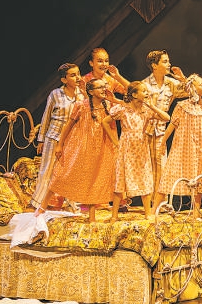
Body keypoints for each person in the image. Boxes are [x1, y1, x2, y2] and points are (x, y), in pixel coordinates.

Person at [154, 74, 202, 216]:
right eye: (200, 84)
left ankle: (195, 214)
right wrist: (163, 142)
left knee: (199, 178)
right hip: (184, 146)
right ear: (192, 88)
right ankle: (153, 211)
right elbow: (172, 124)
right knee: (169, 175)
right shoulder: (181, 106)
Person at [49, 77, 118, 223]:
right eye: (100, 87)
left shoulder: (108, 105)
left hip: (103, 148)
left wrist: (114, 100)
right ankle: (42, 207)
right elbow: (68, 125)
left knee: (95, 179)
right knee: (62, 174)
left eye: (104, 86)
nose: (104, 89)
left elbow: (127, 108)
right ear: (91, 92)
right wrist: (60, 144)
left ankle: (92, 217)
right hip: (83, 147)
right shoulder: (81, 105)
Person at [108, 81, 169, 221]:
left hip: (141, 148)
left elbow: (166, 118)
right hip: (126, 147)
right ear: (135, 95)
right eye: (144, 91)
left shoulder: (146, 110)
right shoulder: (123, 109)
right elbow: (106, 121)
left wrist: (152, 106)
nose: (147, 93)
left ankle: (148, 213)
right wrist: (115, 141)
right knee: (120, 181)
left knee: (144, 178)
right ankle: (114, 215)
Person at [32, 63, 84, 215]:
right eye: (73, 75)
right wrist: (41, 139)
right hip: (54, 137)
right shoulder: (56, 94)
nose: (77, 77)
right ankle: (37, 204)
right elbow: (46, 116)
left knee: (71, 173)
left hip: (72, 140)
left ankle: (72, 204)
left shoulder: (81, 94)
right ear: (64, 79)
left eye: (78, 74)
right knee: (47, 171)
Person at [142, 50, 187, 193]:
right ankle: (147, 202)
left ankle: (160, 202)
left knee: (161, 166)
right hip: (144, 130)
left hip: (161, 130)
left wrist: (182, 78)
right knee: (145, 168)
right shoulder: (144, 85)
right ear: (154, 65)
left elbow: (193, 93)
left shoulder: (171, 83)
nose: (169, 64)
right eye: (165, 61)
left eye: (168, 61)